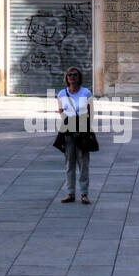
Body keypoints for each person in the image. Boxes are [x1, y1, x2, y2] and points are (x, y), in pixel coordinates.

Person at [56, 66, 93, 204]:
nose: (72, 77)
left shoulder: (86, 93)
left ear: (79, 77)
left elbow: (90, 112)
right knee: (69, 164)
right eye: (69, 75)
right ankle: (70, 193)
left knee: (83, 164)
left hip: (82, 131)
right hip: (68, 131)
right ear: (66, 78)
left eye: (75, 75)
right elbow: (60, 111)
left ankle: (84, 194)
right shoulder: (61, 93)